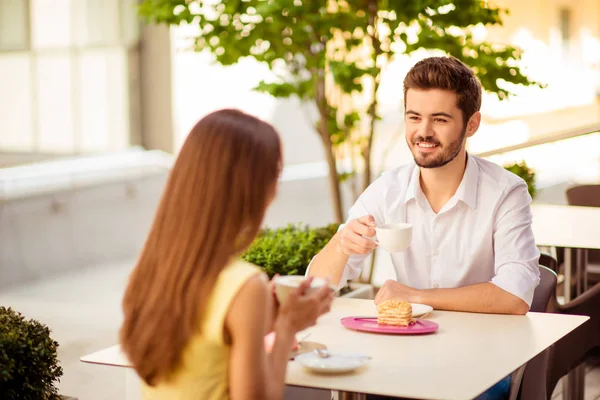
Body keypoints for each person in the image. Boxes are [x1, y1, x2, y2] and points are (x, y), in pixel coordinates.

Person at [120, 109, 334, 400]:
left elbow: (202, 361)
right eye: (276, 176)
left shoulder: (157, 269)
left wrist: (260, 321)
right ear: (257, 190)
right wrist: (286, 328)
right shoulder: (244, 285)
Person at [309, 55, 540, 315]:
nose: (424, 131)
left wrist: (416, 296)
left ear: (471, 124)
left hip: (483, 346)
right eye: (414, 117)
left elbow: (515, 296)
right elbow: (314, 288)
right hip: (406, 343)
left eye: (440, 119)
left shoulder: (505, 192)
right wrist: (342, 244)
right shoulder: (388, 189)